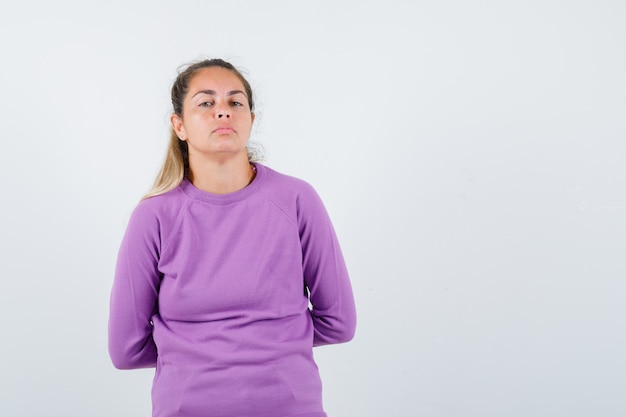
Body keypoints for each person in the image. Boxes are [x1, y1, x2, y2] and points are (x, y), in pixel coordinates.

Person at [107, 58, 357, 417]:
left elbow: (340, 323)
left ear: (251, 120)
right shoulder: (153, 217)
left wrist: (199, 352)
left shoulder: (297, 200)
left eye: (235, 102)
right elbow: (124, 350)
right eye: (206, 103)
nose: (222, 112)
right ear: (179, 125)